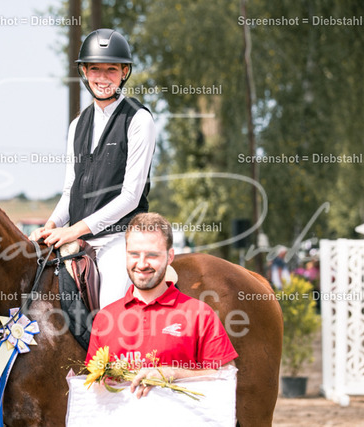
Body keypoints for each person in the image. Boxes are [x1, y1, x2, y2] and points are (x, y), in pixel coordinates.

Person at [29, 29, 156, 308]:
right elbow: (69, 192)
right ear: (85, 72)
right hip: (78, 239)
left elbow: (130, 197)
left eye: (111, 69)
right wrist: (50, 226)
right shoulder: (77, 125)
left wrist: (72, 231)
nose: (102, 77)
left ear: (124, 72)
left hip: (119, 237)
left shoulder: (138, 120)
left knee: (109, 307)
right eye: (95, 69)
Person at [85, 213, 238, 398]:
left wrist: (174, 373)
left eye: (152, 255)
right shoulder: (104, 318)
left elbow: (226, 376)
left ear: (169, 256)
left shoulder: (200, 313)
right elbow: (93, 388)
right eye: (134, 254)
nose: (142, 264)